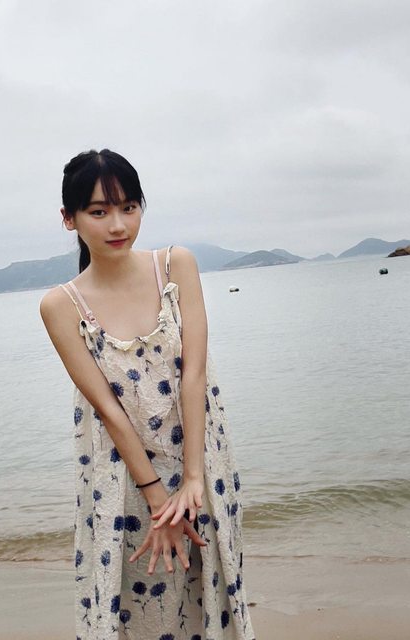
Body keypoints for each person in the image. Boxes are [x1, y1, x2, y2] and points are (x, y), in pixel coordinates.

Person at [39, 149, 256, 640]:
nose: (118, 225)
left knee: (213, 594)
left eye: (129, 207)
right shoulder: (60, 305)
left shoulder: (176, 265)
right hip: (124, 483)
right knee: (144, 611)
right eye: (99, 212)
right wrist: (159, 501)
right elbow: (108, 410)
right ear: (69, 219)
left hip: (203, 467)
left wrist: (194, 478)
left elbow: (193, 375)